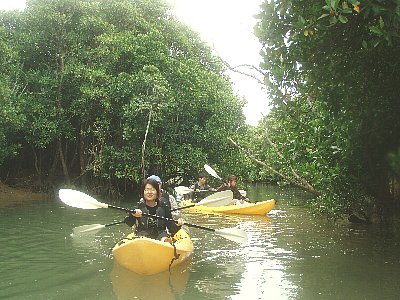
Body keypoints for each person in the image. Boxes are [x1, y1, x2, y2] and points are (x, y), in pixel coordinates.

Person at [124, 178, 185, 243]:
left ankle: (166, 244)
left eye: (152, 190)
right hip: (142, 235)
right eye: (147, 190)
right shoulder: (139, 206)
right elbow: (129, 223)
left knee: (165, 239)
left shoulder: (163, 206)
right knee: (141, 238)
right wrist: (132, 214)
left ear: (157, 192)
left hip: (160, 235)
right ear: (143, 192)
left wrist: (178, 225)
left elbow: (171, 229)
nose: (149, 192)